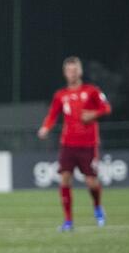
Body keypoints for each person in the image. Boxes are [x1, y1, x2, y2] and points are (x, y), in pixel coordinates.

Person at [37, 56, 112, 231]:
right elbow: (52, 115)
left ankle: (98, 207)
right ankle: (68, 221)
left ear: (80, 71)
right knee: (64, 179)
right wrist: (45, 128)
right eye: (69, 70)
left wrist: (92, 114)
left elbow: (107, 108)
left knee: (91, 182)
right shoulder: (60, 95)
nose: (72, 73)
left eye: (75, 69)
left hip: (88, 144)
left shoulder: (92, 91)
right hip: (68, 144)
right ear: (65, 73)